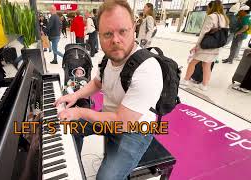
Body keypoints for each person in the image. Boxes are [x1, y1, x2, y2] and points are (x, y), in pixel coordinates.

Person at [54, 0, 163, 179]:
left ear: (133, 28)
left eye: (122, 31)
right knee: (66, 128)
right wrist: (75, 95)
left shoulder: (147, 68)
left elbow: (122, 122)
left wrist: (80, 112)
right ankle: (73, 166)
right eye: (107, 34)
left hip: (134, 130)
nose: (115, 40)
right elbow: (97, 83)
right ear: (99, 35)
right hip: (109, 117)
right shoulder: (107, 59)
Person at [181, 0, 229, 91]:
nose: (207, 9)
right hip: (215, 46)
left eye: (208, 7)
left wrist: (196, 46)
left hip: (206, 45)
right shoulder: (225, 18)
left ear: (212, 7)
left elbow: (204, 33)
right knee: (207, 65)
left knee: (192, 63)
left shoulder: (211, 17)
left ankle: (185, 80)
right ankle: (204, 85)